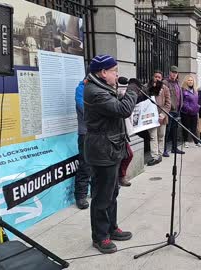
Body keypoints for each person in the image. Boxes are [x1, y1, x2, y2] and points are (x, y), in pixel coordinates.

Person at [83, 55, 137, 253]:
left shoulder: (103, 87)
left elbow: (116, 108)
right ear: (103, 72)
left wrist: (127, 93)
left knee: (112, 192)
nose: (117, 75)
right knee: (101, 196)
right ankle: (100, 237)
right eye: (114, 71)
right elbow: (123, 110)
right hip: (101, 150)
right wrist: (131, 91)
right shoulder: (94, 91)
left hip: (111, 147)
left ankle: (111, 228)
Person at [145, 70, 171, 166]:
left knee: (161, 136)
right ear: (153, 77)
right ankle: (154, 156)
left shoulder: (165, 88)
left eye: (159, 77)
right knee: (153, 136)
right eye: (155, 76)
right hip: (151, 117)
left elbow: (168, 104)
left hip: (161, 117)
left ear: (162, 78)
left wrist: (163, 114)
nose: (157, 78)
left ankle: (160, 154)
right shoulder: (146, 87)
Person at [74, 79, 91, 209]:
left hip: (99, 133)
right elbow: (85, 110)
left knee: (98, 164)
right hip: (86, 133)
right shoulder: (81, 89)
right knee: (85, 165)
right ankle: (81, 196)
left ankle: (95, 190)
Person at [163, 65, 184, 155]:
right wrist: (171, 106)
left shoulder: (177, 83)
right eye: (173, 72)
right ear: (170, 72)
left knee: (175, 130)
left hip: (177, 110)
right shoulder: (165, 82)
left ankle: (174, 148)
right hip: (169, 110)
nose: (174, 74)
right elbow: (165, 97)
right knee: (167, 130)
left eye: (176, 73)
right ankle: (163, 149)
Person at [180, 74, 201, 147]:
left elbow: (197, 101)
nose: (190, 81)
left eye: (191, 80)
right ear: (186, 81)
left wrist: (198, 107)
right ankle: (185, 141)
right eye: (188, 80)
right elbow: (183, 102)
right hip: (186, 113)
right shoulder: (183, 90)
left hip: (194, 112)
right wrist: (189, 108)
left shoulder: (195, 91)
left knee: (194, 128)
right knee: (186, 128)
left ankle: (196, 142)